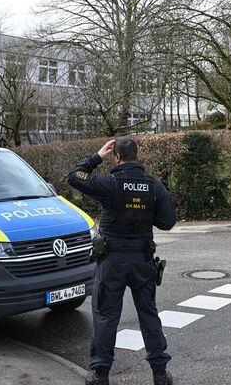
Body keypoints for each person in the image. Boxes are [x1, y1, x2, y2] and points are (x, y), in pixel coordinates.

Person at [67, 137, 177, 385]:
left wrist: (97, 156)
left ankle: (100, 374)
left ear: (116, 157)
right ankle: (160, 374)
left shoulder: (109, 183)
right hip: (142, 261)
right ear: (136, 157)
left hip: (112, 261)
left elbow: (74, 177)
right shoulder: (154, 186)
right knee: (149, 315)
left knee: (106, 317)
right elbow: (167, 222)